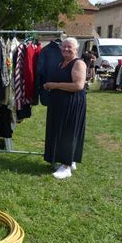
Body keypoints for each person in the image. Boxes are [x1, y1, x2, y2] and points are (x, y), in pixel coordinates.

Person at [43, 37, 87, 179]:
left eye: (70, 47)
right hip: (59, 103)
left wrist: (54, 85)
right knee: (60, 131)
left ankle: (66, 167)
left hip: (72, 103)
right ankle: (69, 160)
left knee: (68, 132)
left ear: (76, 49)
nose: (66, 49)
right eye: (64, 47)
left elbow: (78, 85)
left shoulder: (78, 63)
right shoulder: (61, 63)